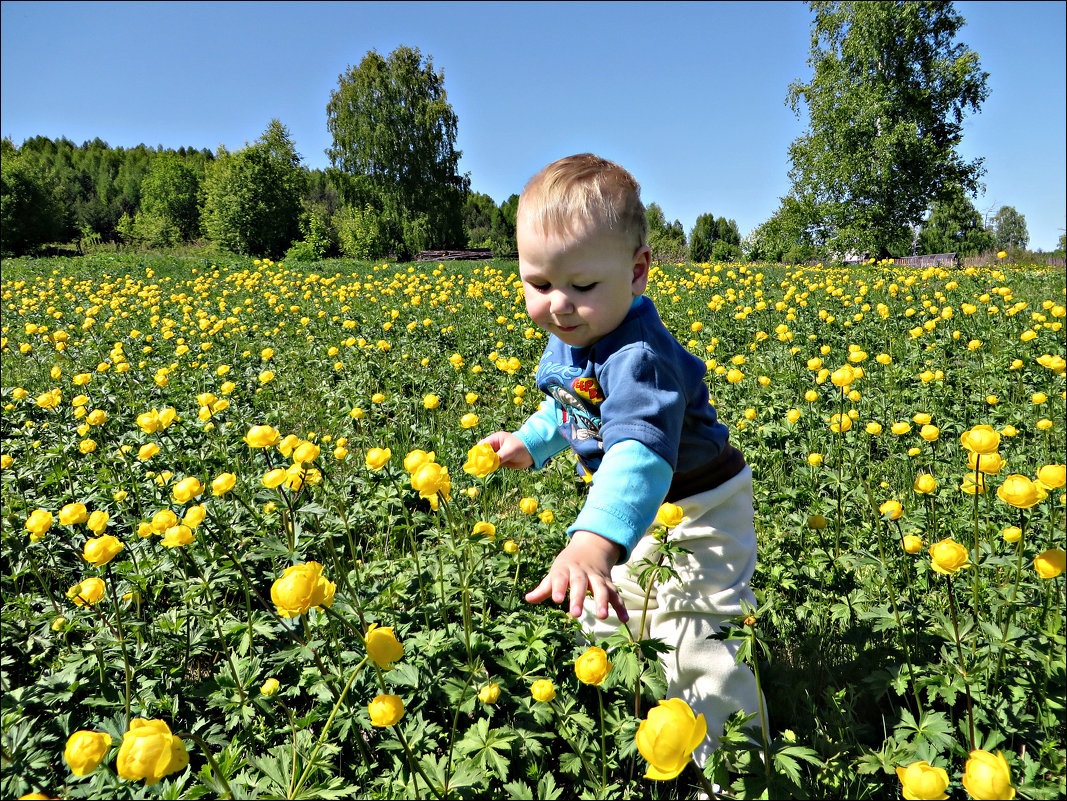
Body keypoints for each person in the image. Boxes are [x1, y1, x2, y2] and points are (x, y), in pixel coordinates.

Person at [480, 153, 761, 760]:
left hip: (700, 511)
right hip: (638, 516)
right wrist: (531, 441)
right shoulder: (572, 337)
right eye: (539, 283)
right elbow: (570, 405)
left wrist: (592, 541)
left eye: (581, 286)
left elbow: (639, 453)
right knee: (608, 615)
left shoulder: (640, 358)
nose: (558, 304)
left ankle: (736, 767)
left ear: (637, 273)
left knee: (692, 640)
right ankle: (630, 732)